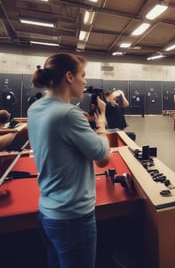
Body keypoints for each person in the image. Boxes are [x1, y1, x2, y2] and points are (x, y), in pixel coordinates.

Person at [27, 53, 110, 268]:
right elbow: (102, 158)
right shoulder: (67, 114)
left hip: (48, 213)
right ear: (69, 77)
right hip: (73, 218)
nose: (86, 81)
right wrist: (101, 122)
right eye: (83, 75)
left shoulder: (35, 109)